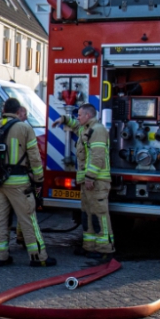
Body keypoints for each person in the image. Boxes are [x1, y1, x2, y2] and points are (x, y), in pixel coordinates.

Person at [0, 98, 55, 267]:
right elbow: (34, 158)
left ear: (4, 110)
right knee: (28, 218)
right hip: (19, 183)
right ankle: (38, 257)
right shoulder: (24, 128)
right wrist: (39, 180)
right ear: (17, 111)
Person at [54, 103, 114, 263]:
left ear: (88, 116)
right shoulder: (86, 129)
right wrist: (64, 119)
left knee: (99, 214)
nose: (78, 118)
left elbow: (97, 156)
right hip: (88, 182)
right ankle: (90, 246)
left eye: (79, 115)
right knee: (87, 214)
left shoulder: (98, 130)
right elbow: (75, 126)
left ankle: (105, 250)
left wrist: (90, 177)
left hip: (97, 182)